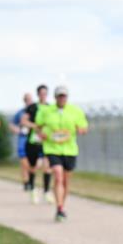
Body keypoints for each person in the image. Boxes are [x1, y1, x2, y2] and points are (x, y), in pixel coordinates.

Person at [34, 86, 88, 221]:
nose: (62, 98)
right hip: (52, 148)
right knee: (58, 175)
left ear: (67, 97)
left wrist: (80, 130)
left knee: (65, 180)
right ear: (55, 97)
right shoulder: (46, 111)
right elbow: (37, 126)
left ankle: (62, 206)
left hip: (70, 149)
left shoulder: (75, 111)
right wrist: (41, 134)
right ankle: (58, 208)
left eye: (64, 96)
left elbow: (84, 127)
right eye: (59, 96)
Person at [22, 84, 54, 204]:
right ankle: (33, 189)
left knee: (47, 166)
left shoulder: (51, 108)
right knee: (33, 167)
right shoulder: (32, 107)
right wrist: (35, 126)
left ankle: (46, 191)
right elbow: (24, 121)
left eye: (45, 93)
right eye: (41, 93)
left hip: (46, 141)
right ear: (38, 94)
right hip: (33, 140)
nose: (43, 95)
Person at [11, 93, 34, 192]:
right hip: (23, 139)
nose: (28, 101)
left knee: (33, 163)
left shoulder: (35, 111)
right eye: (26, 99)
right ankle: (26, 182)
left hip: (33, 140)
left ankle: (31, 181)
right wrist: (16, 129)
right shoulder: (20, 113)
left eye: (30, 99)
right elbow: (12, 124)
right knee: (24, 162)